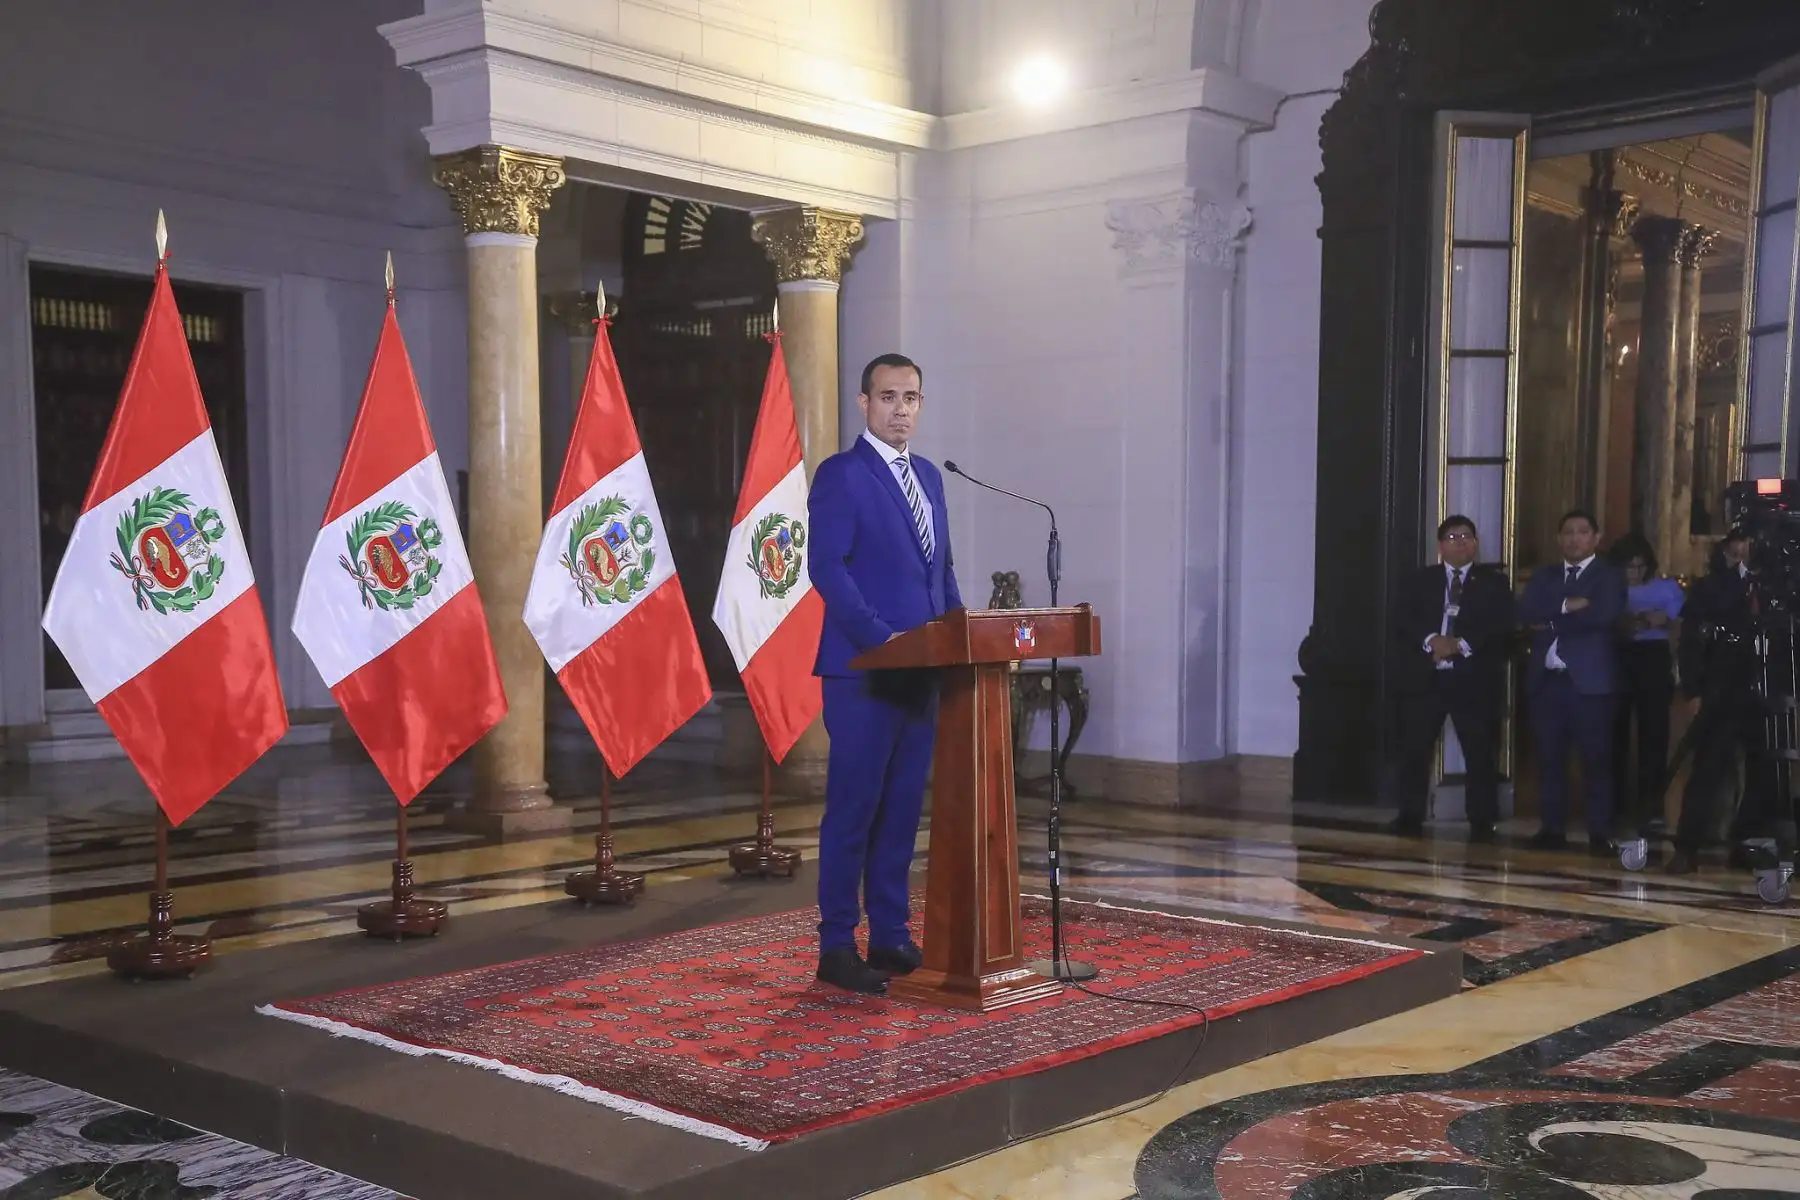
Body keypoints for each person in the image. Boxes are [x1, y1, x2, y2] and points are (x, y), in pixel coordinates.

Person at [806, 352, 963, 995]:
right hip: (864, 672)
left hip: (920, 672)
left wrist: (957, 635)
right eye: (889, 396)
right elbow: (827, 568)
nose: (902, 409)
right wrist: (883, 639)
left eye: (912, 398)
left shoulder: (929, 476)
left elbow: (941, 571)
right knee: (855, 811)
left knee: (901, 811)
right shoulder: (842, 475)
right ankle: (837, 946)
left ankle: (891, 935)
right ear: (865, 404)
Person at [1390, 515, 1514, 842]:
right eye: (1453, 536)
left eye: (1467, 536)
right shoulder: (1420, 580)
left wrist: (1459, 645)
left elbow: (1499, 624)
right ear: (1441, 545)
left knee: (1479, 750)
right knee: (1415, 748)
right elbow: (1403, 618)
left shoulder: (1494, 582)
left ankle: (1482, 819)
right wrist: (1433, 640)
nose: (1461, 542)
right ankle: (1409, 814)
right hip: (1426, 676)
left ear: (1476, 543)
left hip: (1472, 678)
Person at [1519, 509, 1626, 853]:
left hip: (1591, 684)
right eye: (1568, 532)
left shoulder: (1608, 576)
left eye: (1582, 532)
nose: (1574, 538)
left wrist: (1550, 621)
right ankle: (1552, 828)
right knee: (1550, 759)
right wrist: (1568, 605)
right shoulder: (1545, 575)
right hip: (1547, 682)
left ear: (1596, 538)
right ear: (1558, 539)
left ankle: (1599, 831)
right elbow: (1526, 610)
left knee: (1596, 759)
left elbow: (1602, 616)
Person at [1667, 530, 1769, 874]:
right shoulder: (1713, 586)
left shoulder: (1783, 587)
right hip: (1721, 689)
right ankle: (1687, 845)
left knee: (1764, 771)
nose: (1745, 548)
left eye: (1751, 541)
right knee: (1708, 767)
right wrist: (1693, 690)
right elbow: (1691, 641)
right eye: (1738, 542)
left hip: (1768, 690)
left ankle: (1747, 843)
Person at [1608, 532, 1683, 841]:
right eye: (1629, 567)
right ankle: (1614, 807)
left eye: (1640, 566)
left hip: (1653, 658)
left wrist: (1662, 621)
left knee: (1654, 735)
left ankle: (1650, 807)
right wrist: (1626, 624)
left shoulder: (1666, 588)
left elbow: (1685, 624)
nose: (1635, 572)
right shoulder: (1609, 590)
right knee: (1615, 734)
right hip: (1617, 657)